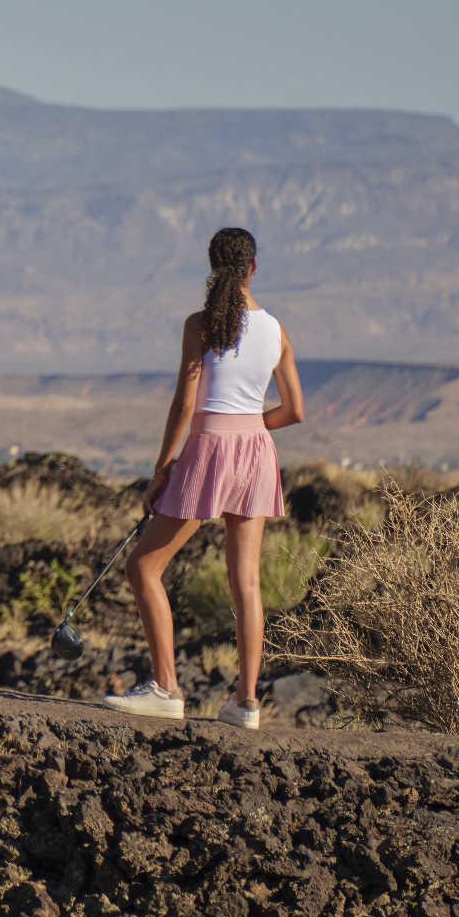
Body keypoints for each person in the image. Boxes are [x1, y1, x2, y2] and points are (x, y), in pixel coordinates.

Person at [102, 226, 305, 728]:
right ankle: (246, 703)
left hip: (208, 447)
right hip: (257, 452)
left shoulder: (199, 324)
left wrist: (161, 469)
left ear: (214, 267)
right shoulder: (277, 330)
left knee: (145, 568)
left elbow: (184, 404)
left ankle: (167, 689)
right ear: (254, 266)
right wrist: (254, 425)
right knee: (247, 583)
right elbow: (296, 410)